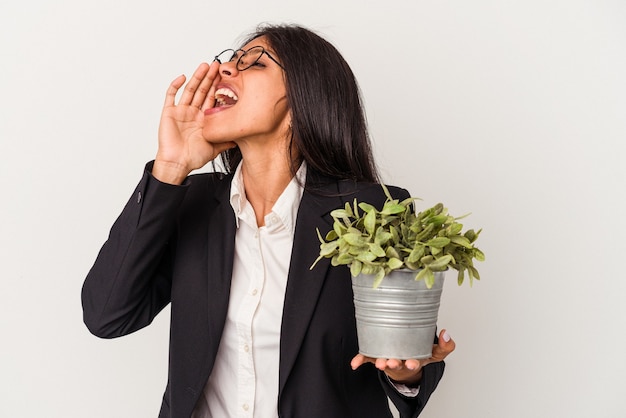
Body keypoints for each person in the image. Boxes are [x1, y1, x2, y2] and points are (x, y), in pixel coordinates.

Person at [81, 23, 455, 418]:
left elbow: (406, 353)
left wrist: (406, 373)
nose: (224, 69)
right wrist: (169, 169)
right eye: (230, 61)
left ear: (301, 100)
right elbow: (107, 315)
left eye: (254, 64)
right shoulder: (191, 203)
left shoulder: (372, 212)